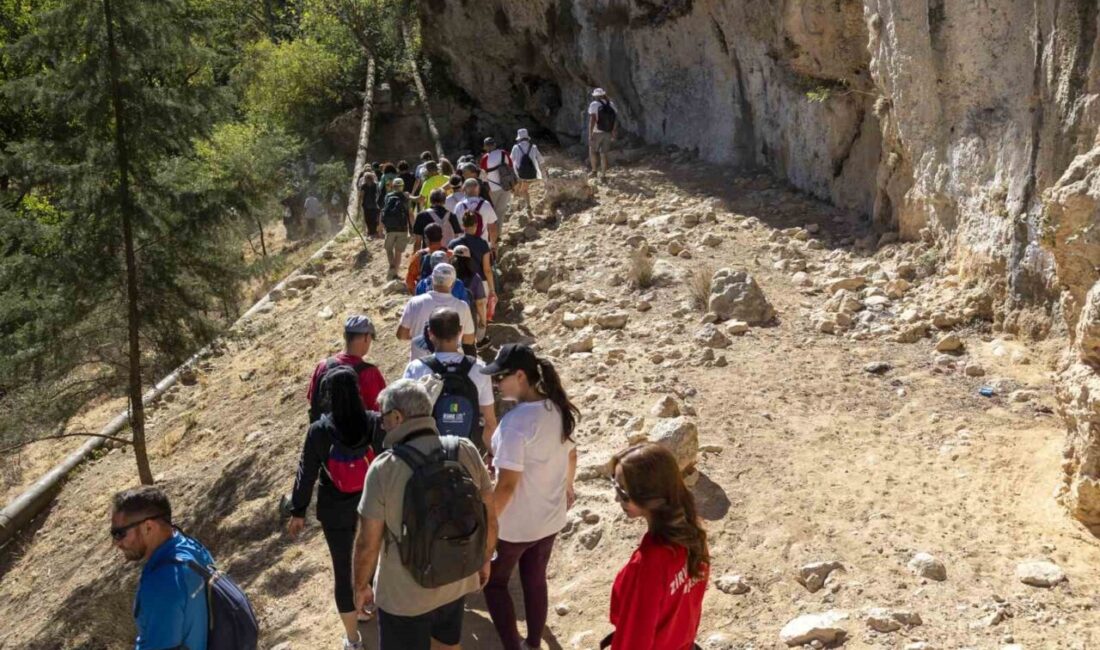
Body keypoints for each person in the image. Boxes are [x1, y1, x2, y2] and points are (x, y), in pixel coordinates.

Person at [352, 379, 498, 650]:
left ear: (397, 417)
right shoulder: (463, 448)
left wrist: (361, 586)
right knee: (447, 645)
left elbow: (367, 542)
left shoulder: (384, 469)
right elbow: (488, 513)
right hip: (456, 575)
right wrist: (485, 558)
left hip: (405, 596)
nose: (382, 425)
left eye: (384, 418)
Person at [481, 344, 579, 650]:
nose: (496, 385)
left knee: (495, 583)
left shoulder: (515, 424)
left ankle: (514, 646)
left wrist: (487, 528)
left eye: (501, 378)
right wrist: (568, 487)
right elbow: (571, 453)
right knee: (535, 580)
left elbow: (507, 485)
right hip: (549, 519)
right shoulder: (557, 408)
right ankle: (534, 644)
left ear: (520, 376)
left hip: (515, 526)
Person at [289, 368, 384, 650]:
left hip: (336, 512)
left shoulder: (319, 431)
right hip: (373, 506)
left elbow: (306, 473)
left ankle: (353, 639)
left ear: (327, 396)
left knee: (343, 572)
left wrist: (298, 511)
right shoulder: (374, 423)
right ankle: (369, 604)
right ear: (357, 391)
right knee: (371, 560)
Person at [604, 443, 709, 650]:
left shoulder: (648, 564)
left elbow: (634, 640)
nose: (616, 498)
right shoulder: (691, 532)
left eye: (623, 493)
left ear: (650, 499)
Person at [111, 486, 215, 650]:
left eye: (120, 533)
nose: (117, 543)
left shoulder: (163, 582)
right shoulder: (189, 546)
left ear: (148, 527)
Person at [402, 308, 496, 450]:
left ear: (430, 333)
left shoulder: (416, 368)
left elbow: (405, 418)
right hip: (466, 452)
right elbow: (490, 422)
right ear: (460, 331)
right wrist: (491, 454)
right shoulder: (479, 368)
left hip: (427, 454)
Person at [307, 315, 387, 416]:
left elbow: (313, 400)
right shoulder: (370, 373)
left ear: (345, 336)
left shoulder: (323, 366)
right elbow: (379, 410)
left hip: (327, 430)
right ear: (366, 337)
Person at [397, 263, 476, 359]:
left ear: (432, 279)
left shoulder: (415, 302)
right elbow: (468, 340)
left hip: (421, 364)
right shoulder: (462, 307)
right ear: (453, 283)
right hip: (450, 365)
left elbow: (401, 334)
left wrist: (418, 336)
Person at [448, 211, 495, 300]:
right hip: (480, 282)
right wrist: (492, 290)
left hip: (458, 282)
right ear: (476, 225)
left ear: (463, 225)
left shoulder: (453, 243)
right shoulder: (483, 244)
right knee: (481, 312)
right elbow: (487, 269)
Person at [451, 245, 488, 342]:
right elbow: (480, 302)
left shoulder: (448, 276)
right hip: (469, 317)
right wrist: (483, 320)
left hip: (449, 316)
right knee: (468, 346)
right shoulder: (475, 278)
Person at [453, 177, 499, 252]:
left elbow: (455, 229)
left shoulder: (459, 206)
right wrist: (492, 245)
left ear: (463, 190)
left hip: (464, 246)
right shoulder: (485, 204)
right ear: (478, 190)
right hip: (482, 245)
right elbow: (492, 228)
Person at [381, 177, 414, 279]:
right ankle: (395, 273)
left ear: (393, 186)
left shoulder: (387, 196)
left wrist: (381, 225)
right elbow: (410, 214)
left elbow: (384, 211)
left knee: (388, 248)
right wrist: (412, 229)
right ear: (402, 186)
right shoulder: (405, 198)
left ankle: (391, 264)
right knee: (398, 252)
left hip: (390, 228)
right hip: (402, 228)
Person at [406, 223, 453, 294]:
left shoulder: (419, 256)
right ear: (441, 237)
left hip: (425, 295)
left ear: (426, 239)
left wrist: (416, 293)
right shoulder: (451, 255)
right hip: (447, 295)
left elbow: (409, 281)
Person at [511, 129, 545, 215]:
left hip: (520, 174)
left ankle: (526, 206)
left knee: (519, 190)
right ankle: (521, 204)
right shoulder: (533, 147)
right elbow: (541, 160)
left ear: (519, 138)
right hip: (531, 174)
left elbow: (511, 160)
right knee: (523, 189)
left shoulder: (515, 147)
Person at [479, 136, 513, 223]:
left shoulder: (485, 158)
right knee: (501, 212)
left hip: (493, 188)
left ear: (485, 147)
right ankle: (498, 234)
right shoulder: (503, 153)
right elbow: (511, 167)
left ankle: (492, 233)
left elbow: (483, 176)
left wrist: (486, 189)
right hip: (506, 185)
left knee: (492, 211)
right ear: (495, 144)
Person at [588, 88, 618, 179]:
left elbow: (592, 119)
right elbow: (615, 119)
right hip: (608, 132)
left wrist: (590, 133)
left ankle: (594, 171)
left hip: (597, 132)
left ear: (595, 96)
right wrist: (613, 131)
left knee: (592, 151)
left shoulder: (594, 104)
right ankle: (603, 175)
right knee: (603, 153)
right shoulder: (611, 104)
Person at [358, 170, 382, 238]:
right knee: (372, 219)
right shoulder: (375, 185)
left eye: (366, 178)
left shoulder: (364, 186)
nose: (365, 179)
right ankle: (372, 232)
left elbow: (361, 195)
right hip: (372, 204)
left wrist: (360, 202)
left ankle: (372, 232)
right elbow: (379, 194)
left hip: (368, 204)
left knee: (369, 219)